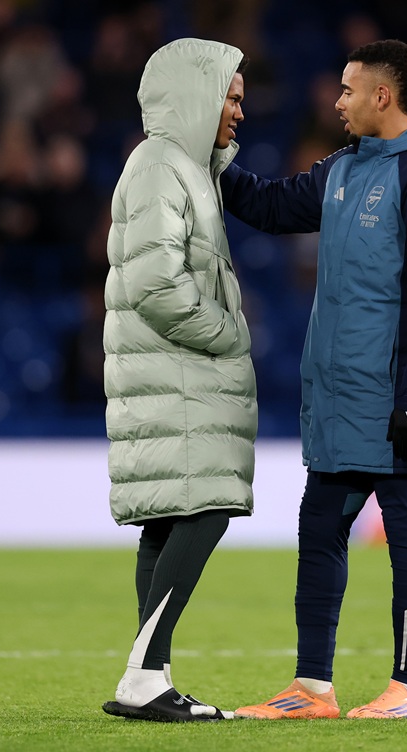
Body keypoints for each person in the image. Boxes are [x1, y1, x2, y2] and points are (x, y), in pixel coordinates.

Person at [221, 39, 407, 720]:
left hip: (399, 396)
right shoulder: (342, 170)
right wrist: (209, 161)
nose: (336, 102)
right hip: (340, 396)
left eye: (347, 89)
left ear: (382, 97)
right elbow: (273, 208)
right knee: (320, 530)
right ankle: (312, 688)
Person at [100, 38, 256, 723]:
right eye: (230, 95)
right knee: (208, 506)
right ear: (197, 94)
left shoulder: (181, 169)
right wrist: (229, 335)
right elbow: (158, 285)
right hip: (182, 377)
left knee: (169, 520)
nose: (238, 112)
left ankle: (150, 674)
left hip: (174, 379)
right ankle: (144, 672)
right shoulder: (162, 166)